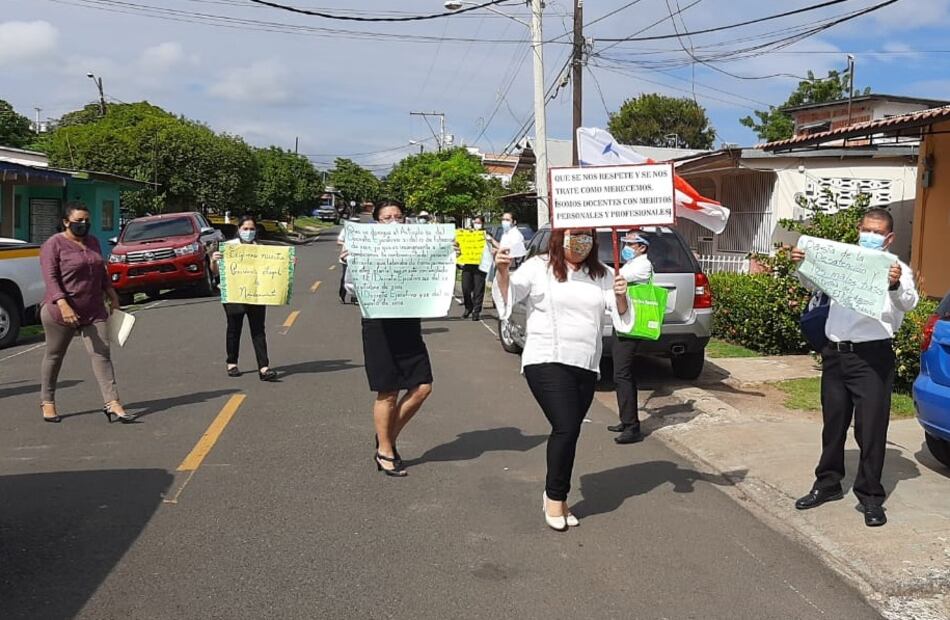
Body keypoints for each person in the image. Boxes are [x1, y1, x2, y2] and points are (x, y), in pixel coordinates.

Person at [493, 228, 632, 531]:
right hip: (546, 358)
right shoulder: (538, 267)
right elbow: (509, 298)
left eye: (587, 236)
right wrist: (503, 271)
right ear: (560, 237)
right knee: (566, 426)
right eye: (575, 235)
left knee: (570, 431)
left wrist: (622, 296)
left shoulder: (604, 274)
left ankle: (554, 495)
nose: (581, 242)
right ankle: (556, 497)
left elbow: (621, 316)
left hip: (585, 363)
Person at [790, 208, 919, 527]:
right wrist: (801, 262)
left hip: (872, 358)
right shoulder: (843, 261)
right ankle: (828, 483)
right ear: (858, 229)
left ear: (889, 237)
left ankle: (871, 496)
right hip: (835, 354)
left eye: (877, 233)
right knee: (833, 424)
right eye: (866, 230)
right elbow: (811, 284)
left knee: (870, 428)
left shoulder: (897, 268)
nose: (870, 236)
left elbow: (909, 302)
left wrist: (894, 284)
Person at [342, 201, 434, 477]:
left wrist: (446, 255)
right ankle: (385, 450)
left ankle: (386, 438)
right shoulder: (363, 248)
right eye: (386, 218)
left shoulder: (417, 249)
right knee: (388, 390)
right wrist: (353, 261)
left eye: (399, 217)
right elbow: (350, 287)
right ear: (376, 223)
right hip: (378, 322)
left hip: (408, 320)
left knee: (422, 387)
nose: (394, 222)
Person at [39, 202, 133, 423]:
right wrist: (63, 304)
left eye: (86, 220)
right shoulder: (53, 244)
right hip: (60, 312)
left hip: (93, 309)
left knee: (102, 354)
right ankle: (48, 401)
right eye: (78, 220)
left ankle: (112, 402)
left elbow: (101, 272)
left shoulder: (92, 242)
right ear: (65, 222)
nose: (83, 224)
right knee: (54, 356)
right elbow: (50, 278)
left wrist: (112, 295)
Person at [210, 215, 278, 382]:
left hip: (256, 295)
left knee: (258, 330)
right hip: (234, 295)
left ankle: (264, 367)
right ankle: (232, 363)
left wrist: (287, 264)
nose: (248, 232)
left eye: (252, 229)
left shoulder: (260, 249)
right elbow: (216, 272)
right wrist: (213, 260)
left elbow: (271, 271)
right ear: (238, 229)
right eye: (245, 229)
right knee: (234, 329)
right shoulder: (229, 248)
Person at [609, 232, 654, 445]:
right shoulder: (632, 264)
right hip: (621, 323)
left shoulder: (642, 266)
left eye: (630, 244)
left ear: (642, 247)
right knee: (620, 374)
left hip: (631, 325)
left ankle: (632, 426)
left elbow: (617, 278)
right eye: (624, 243)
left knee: (622, 374)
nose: (626, 247)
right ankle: (626, 419)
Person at [460, 215, 487, 321]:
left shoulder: (486, 235)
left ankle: (476, 311)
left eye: (479, 222)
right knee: (465, 287)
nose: (477, 224)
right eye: (475, 222)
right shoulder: (468, 234)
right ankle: (468, 306)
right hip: (468, 264)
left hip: (480, 265)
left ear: (483, 223)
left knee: (478, 289)